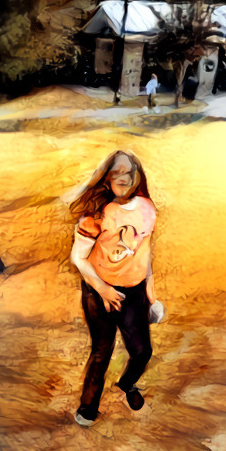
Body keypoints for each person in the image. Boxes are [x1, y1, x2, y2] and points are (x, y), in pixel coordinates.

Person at [69, 149, 157, 427]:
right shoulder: (95, 213)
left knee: (142, 352)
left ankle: (128, 384)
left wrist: (150, 292)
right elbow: (78, 257)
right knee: (101, 351)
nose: (123, 178)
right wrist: (103, 289)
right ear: (106, 178)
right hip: (99, 292)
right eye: (116, 173)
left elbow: (145, 252)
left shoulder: (147, 208)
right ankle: (88, 407)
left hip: (134, 292)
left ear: (137, 177)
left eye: (128, 173)